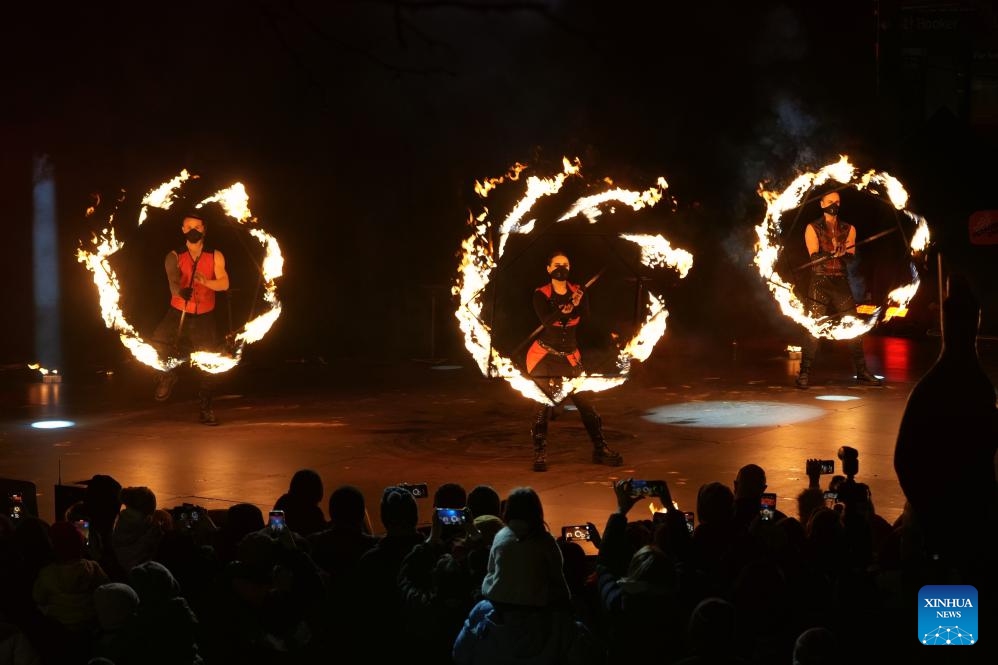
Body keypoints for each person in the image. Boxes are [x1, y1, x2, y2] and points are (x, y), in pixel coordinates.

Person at [526, 251, 623, 471]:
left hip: (570, 358)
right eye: (557, 264)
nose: (561, 268)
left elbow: (585, 317)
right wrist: (565, 310)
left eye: (566, 264)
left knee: (586, 404)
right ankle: (540, 454)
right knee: (542, 405)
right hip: (545, 358)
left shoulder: (578, 292)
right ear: (548, 268)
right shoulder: (540, 294)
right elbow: (547, 321)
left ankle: (600, 449)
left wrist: (577, 305)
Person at [795, 190, 882, 389]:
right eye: (830, 201)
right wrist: (829, 253)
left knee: (853, 324)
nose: (834, 204)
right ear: (822, 204)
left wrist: (843, 253)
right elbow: (813, 256)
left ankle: (862, 371)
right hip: (819, 281)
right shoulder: (812, 227)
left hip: (840, 281)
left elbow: (850, 256)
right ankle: (804, 373)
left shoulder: (849, 229)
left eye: (837, 201)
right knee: (813, 326)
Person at [151, 213, 230, 425]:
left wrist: (206, 282)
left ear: (204, 229)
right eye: (189, 226)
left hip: (205, 316)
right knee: (157, 343)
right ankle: (167, 375)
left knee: (209, 362)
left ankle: (206, 409)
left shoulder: (215, 255)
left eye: (197, 226)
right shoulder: (174, 255)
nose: (193, 230)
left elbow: (224, 283)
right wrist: (180, 291)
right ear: (183, 230)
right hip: (178, 312)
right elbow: (172, 281)